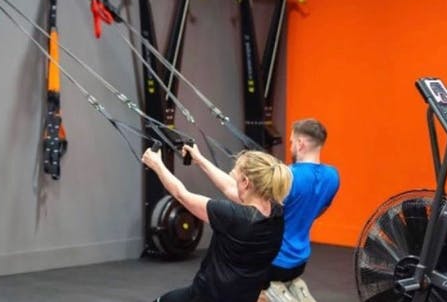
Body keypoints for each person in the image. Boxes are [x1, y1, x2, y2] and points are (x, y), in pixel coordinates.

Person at [142, 144, 292, 302]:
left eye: (235, 174)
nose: (231, 176)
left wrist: (157, 164)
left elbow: (181, 194)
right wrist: (200, 160)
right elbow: (229, 188)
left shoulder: (233, 216)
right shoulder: (276, 213)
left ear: (246, 182)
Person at [260, 119, 340, 302]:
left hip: (274, 262)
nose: (290, 147)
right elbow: (319, 210)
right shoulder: (333, 176)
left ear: (300, 143)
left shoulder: (288, 175)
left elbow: (259, 209)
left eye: (291, 142)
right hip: (299, 261)